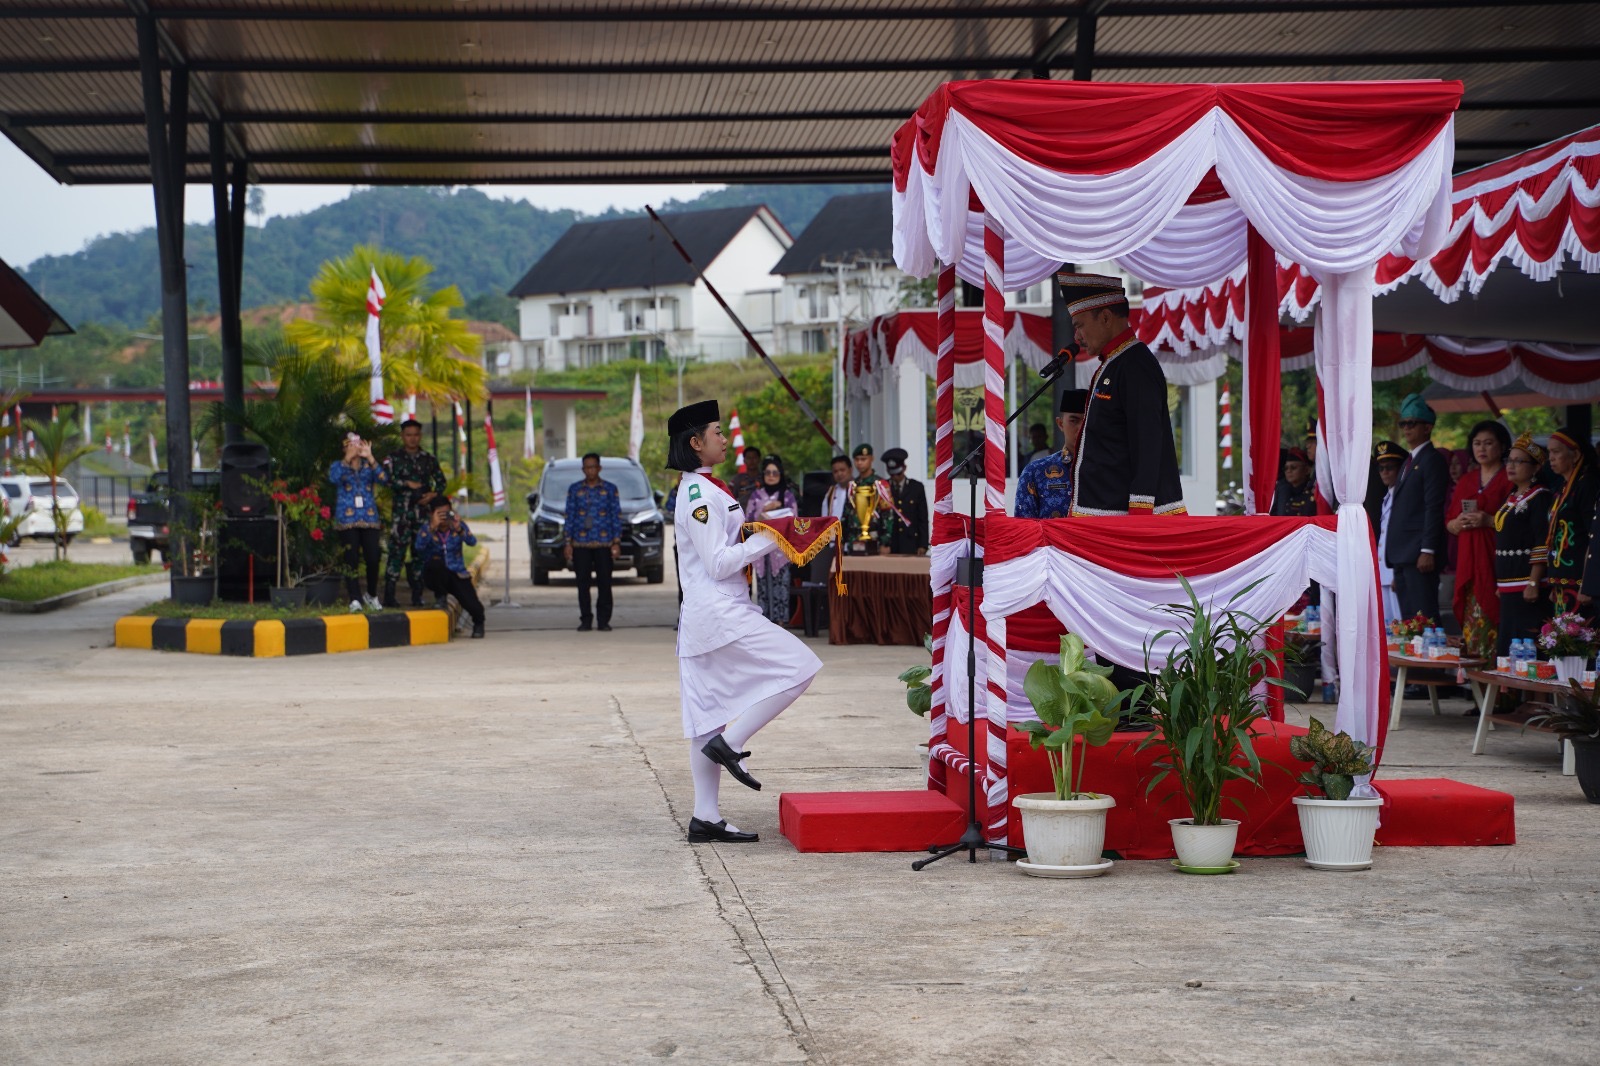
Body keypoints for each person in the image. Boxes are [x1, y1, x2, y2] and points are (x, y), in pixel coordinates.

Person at [668, 399, 822, 845]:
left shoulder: (708, 488)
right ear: (695, 443)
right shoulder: (698, 492)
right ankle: (732, 743)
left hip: (706, 615)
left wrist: (764, 527)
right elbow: (718, 562)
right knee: (800, 666)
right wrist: (771, 537)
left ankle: (706, 816)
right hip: (719, 611)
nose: (724, 438)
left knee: (704, 719)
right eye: (716, 432)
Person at [1059, 273, 1186, 517]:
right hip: (1104, 520)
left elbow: (1147, 444)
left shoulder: (1135, 365)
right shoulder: (1115, 362)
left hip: (1122, 522)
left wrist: (1139, 517)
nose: (1077, 337)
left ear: (1105, 317)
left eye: (1080, 326)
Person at [1445, 420, 1512, 658]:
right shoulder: (1466, 480)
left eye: (1488, 443)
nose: (1482, 448)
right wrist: (1458, 523)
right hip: (1468, 560)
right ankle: (1477, 687)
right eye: (1477, 443)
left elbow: (1518, 522)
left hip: (1498, 560)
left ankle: (1500, 687)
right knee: (1472, 617)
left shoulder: (1510, 478)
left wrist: (1489, 520)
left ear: (1502, 446)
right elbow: (1450, 523)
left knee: (1499, 619)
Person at [1385, 393, 1449, 624]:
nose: (1406, 428)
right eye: (1403, 423)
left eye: (1412, 423)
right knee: (1409, 620)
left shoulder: (1432, 459)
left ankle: (1428, 659)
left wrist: (1428, 550)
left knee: (1424, 617)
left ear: (1427, 427)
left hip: (1419, 554)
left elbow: (1434, 507)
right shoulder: (1409, 461)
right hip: (1404, 555)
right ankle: (1414, 659)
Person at [1494, 435, 1553, 656]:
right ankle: (1513, 692)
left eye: (1519, 461)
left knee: (1527, 645)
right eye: (1509, 460)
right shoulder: (1513, 496)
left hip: (1526, 586)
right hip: (1508, 585)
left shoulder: (1540, 498)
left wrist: (1533, 581)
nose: (1511, 466)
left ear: (1536, 467)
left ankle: (1532, 691)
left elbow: (1542, 541)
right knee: (1508, 643)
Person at [381, 418, 447, 607]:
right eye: (408, 435)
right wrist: (406, 484)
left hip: (423, 514)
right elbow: (386, 480)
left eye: (416, 435)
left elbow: (441, 482)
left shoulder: (428, 459)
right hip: (401, 515)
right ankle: (389, 595)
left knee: (420, 553)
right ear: (402, 436)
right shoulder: (393, 458)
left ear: (420, 436)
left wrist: (433, 495)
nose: (412, 439)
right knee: (396, 553)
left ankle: (418, 594)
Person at [1541, 428, 1600, 614]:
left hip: (1580, 583)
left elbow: (1593, 536)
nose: (1551, 457)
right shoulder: (1561, 488)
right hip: (1562, 581)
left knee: (1579, 640)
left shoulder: (1587, 485)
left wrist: (1588, 583)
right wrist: (1553, 581)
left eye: (1556, 452)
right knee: (1561, 640)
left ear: (1574, 454)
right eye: (1549, 452)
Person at [329, 433, 390, 612]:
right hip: (347, 520)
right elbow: (333, 478)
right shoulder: (337, 466)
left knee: (373, 557)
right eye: (350, 445)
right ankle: (354, 598)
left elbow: (385, 480)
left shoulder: (368, 467)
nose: (355, 448)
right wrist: (347, 459)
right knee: (351, 559)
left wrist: (370, 457)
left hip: (369, 518)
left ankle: (371, 594)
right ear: (344, 448)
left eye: (357, 444)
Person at [564, 452, 621, 632]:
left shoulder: (610, 489)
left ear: (599, 468)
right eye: (587, 467)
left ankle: (603, 620)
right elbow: (569, 516)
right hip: (580, 543)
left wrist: (616, 542)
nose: (590, 470)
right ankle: (586, 619)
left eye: (593, 467)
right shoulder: (575, 490)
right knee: (583, 583)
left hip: (604, 543)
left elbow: (615, 516)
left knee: (605, 583)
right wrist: (567, 542)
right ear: (583, 469)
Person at [414, 494, 485, 639]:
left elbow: (472, 542)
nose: (444, 517)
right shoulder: (426, 528)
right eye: (440, 514)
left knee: (474, 606)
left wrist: (459, 529)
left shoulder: (457, 526)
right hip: (436, 574)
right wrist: (432, 528)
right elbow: (418, 548)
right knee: (435, 563)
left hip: (457, 573)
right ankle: (440, 597)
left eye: (447, 513)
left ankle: (478, 624)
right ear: (432, 514)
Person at [1014, 388, 1088, 519]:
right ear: (1060, 424)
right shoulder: (1035, 472)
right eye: (1074, 421)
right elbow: (1024, 527)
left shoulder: (1112, 470)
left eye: (1087, 421)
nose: (1081, 428)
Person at [744, 456, 799, 624]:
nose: (771, 475)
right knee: (762, 587)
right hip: (761, 549)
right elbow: (748, 521)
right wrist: (764, 512)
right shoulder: (756, 496)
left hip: (780, 550)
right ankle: (765, 623)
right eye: (768, 472)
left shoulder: (787, 496)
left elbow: (795, 520)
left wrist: (778, 511)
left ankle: (781, 623)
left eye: (775, 472)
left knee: (781, 586)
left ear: (780, 474)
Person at [1370, 440, 1407, 624]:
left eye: (1390, 467)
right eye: (1381, 468)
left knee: (1399, 623)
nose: (1384, 472)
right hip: (1384, 570)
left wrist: (1395, 574)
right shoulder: (1387, 496)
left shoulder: (1402, 495)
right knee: (1387, 625)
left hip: (1393, 571)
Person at [877, 447, 929, 556]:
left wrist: (923, 544)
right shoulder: (882, 488)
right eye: (892, 474)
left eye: (898, 473)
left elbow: (922, 518)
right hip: (889, 544)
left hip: (911, 543)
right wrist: (882, 542)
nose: (895, 477)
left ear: (904, 468)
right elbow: (879, 518)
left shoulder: (916, 488)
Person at [840, 442, 882, 551]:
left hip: (873, 538)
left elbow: (887, 514)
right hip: (853, 539)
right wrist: (841, 540)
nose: (859, 463)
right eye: (857, 459)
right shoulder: (852, 485)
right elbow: (846, 514)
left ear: (871, 459)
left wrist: (885, 541)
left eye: (863, 459)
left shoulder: (879, 484)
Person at [1270, 447, 1317, 517]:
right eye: (1286, 468)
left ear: (1307, 470)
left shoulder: (1313, 492)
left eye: (1293, 467)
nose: (1289, 471)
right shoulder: (1282, 491)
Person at [822, 454, 852, 521]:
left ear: (850, 470)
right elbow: (824, 517)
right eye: (836, 471)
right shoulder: (830, 493)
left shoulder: (857, 489)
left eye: (842, 470)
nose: (839, 474)